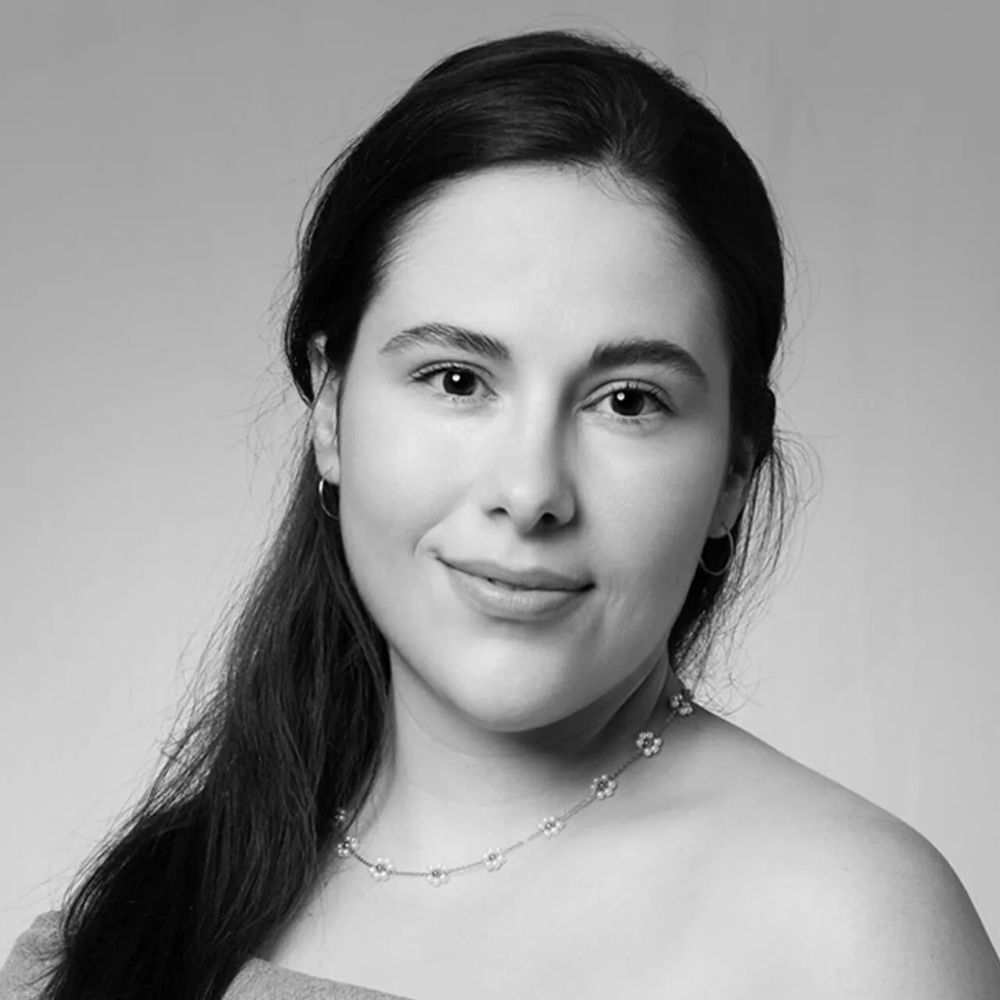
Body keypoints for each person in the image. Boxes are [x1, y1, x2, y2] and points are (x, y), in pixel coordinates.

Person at [3, 27, 998, 1000]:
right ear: (332, 409)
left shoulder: (853, 932)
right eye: (456, 379)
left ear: (736, 466)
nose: (529, 493)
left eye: (628, 401)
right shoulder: (140, 918)